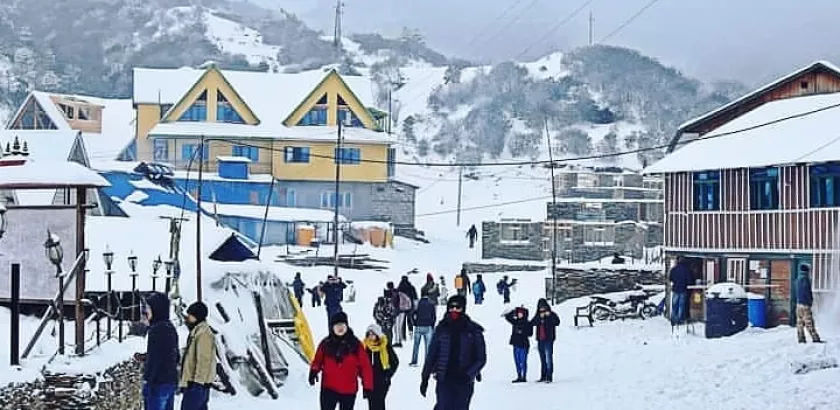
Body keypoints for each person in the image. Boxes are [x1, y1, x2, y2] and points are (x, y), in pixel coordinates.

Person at [420, 295, 487, 409]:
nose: (454, 310)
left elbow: (481, 359)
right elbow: (432, 354)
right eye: (451, 307)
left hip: (463, 381)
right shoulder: (441, 328)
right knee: (444, 406)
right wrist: (425, 377)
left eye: (458, 307)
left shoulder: (473, 330)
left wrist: (469, 374)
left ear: (463, 309)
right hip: (444, 379)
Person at [310, 312, 374, 410]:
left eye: (342, 325)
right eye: (337, 326)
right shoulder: (325, 344)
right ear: (332, 327)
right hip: (328, 387)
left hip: (348, 390)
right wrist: (314, 371)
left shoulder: (355, 345)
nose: (340, 328)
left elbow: (365, 366)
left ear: (347, 326)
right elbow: (318, 360)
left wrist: (367, 386)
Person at [136, 292, 179, 410]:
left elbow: (155, 360)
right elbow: (173, 355)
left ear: (156, 309)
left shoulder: (156, 330)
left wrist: (148, 381)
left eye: (148, 308)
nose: (146, 312)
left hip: (157, 384)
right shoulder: (170, 327)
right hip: (170, 382)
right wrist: (146, 357)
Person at [179, 301, 217, 410]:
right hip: (194, 383)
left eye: (190, 316)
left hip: (196, 385)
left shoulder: (203, 333)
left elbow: (204, 360)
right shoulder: (197, 331)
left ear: (197, 316)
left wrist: (197, 383)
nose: (187, 318)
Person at [363, 324, 399, 410]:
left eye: (373, 334)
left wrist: (388, 374)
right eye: (369, 334)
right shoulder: (365, 347)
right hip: (369, 381)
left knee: (379, 403)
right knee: (371, 404)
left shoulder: (385, 345)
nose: (371, 336)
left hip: (382, 381)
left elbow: (395, 362)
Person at [530, 298, 560, 383]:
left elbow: (557, 322)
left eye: (543, 307)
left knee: (548, 358)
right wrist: (539, 318)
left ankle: (549, 376)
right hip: (540, 339)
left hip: (549, 339)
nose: (542, 309)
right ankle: (543, 376)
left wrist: (549, 316)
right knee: (542, 359)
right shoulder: (538, 315)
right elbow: (532, 323)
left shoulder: (551, 314)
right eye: (540, 307)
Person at [504, 306, 532, 383]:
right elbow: (508, 317)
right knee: (517, 361)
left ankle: (524, 376)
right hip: (515, 344)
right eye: (518, 313)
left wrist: (522, 332)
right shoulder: (515, 321)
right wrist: (513, 311)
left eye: (520, 313)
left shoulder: (527, 323)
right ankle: (519, 376)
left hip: (524, 345)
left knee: (523, 361)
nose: (519, 315)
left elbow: (530, 333)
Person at [795, 264, 822, 343]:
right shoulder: (805, 279)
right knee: (809, 322)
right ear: (807, 271)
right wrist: (810, 301)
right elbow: (807, 292)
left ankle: (801, 339)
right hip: (805, 304)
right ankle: (815, 338)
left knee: (799, 322)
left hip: (798, 304)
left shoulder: (798, 279)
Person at [409, 295, 436, 366]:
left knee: (416, 345)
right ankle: (427, 362)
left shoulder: (417, 304)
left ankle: (414, 361)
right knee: (428, 346)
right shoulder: (431, 304)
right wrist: (432, 326)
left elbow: (411, 314)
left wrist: (414, 323)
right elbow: (434, 317)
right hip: (428, 326)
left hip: (418, 326)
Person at [669, 257, 692, 325]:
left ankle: (673, 319)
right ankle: (679, 320)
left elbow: (670, 278)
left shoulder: (673, 269)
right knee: (681, 305)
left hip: (675, 289)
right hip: (683, 289)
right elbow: (689, 280)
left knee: (674, 305)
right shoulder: (686, 270)